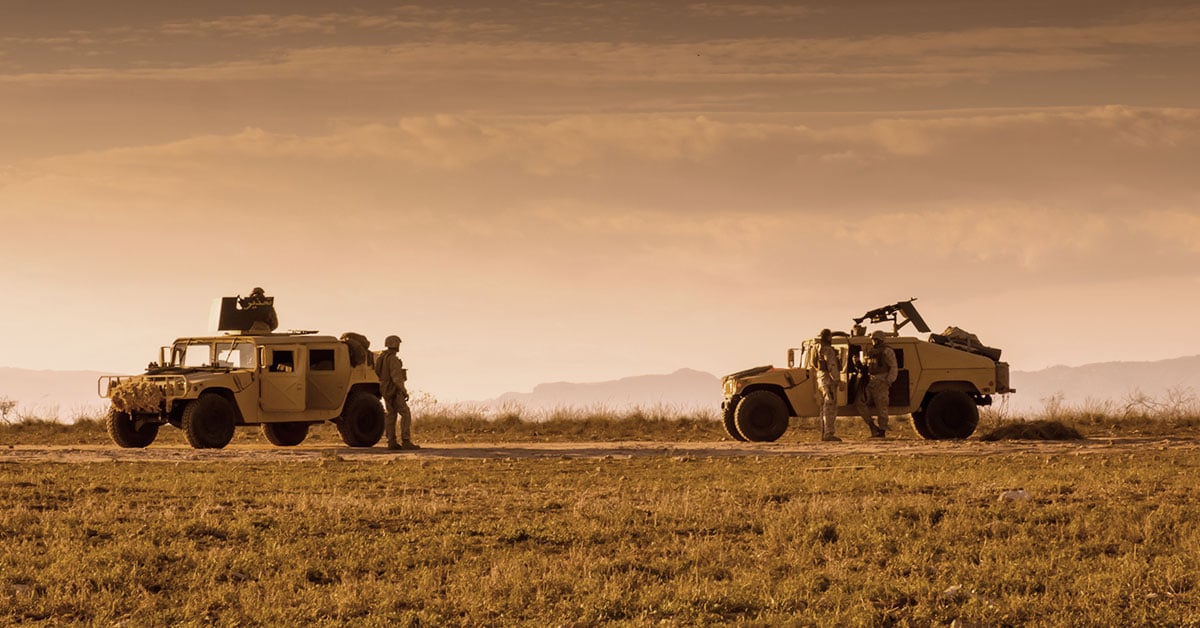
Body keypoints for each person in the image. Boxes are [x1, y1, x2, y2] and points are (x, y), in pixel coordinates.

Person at [374, 334, 418, 450]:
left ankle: (391, 442)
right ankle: (406, 440)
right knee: (405, 413)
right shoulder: (393, 359)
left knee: (391, 415)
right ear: (395, 345)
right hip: (394, 390)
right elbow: (396, 378)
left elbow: (377, 372)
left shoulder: (381, 358)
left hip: (385, 389)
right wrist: (404, 391)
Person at [855, 330, 898, 438]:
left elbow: (893, 366)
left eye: (875, 339)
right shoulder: (871, 352)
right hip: (871, 381)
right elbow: (867, 367)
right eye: (872, 340)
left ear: (880, 339)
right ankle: (872, 426)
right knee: (860, 402)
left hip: (882, 380)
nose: (873, 342)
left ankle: (882, 430)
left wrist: (889, 381)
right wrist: (858, 364)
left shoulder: (887, 351)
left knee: (881, 407)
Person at [816, 328, 843, 442]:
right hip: (828, 381)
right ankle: (828, 433)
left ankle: (824, 433)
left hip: (821, 380)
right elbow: (831, 365)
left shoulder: (818, 349)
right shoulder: (828, 350)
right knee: (830, 407)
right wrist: (837, 379)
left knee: (824, 408)